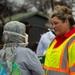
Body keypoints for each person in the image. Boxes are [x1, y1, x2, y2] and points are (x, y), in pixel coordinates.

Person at [43, 5, 75, 75]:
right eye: (52, 24)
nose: (53, 27)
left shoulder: (73, 41)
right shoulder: (53, 41)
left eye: (56, 23)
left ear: (66, 21)